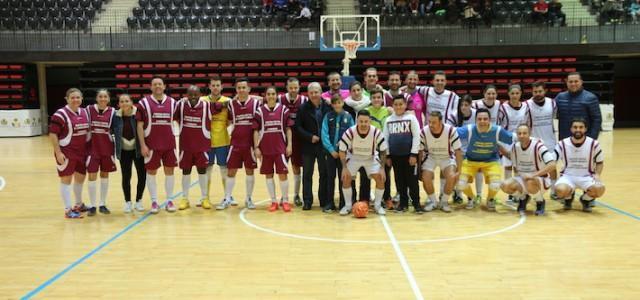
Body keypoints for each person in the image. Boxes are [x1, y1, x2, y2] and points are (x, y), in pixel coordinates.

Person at [456, 108, 514, 211]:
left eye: (485, 119)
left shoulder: (497, 130)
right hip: (470, 161)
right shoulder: (469, 129)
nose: (482, 121)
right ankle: (471, 198)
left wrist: (533, 141)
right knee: (460, 184)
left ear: (489, 120)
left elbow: (513, 138)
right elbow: (450, 132)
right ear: (476, 120)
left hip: (491, 161)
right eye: (480, 119)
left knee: (495, 184)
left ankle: (490, 199)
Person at [218, 78, 261, 210]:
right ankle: (227, 198)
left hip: (249, 144)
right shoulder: (231, 104)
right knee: (231, 171)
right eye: (239, 88)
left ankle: (248, 198)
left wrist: (257, 145)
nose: (241, 90)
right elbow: (227, 118)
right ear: (236, 90)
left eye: (244, 87)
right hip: (235, 142)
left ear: (249, 89)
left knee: (249, 171)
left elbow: (272, 98)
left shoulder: (256, 103)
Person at [136, 78, 178, 214]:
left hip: (169, 144)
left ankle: (169, 200)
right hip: (151, 144)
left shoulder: (173, 103)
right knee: (151, 172)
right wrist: (142, 145)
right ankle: (154, 201)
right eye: (155, 84)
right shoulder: (143, 103)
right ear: (150, 87)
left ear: (164, 86)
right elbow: (140, 125)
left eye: (160, 84)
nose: (157, 86)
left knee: (169, 171)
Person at [49, 88, 90, 218]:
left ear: (82, 99)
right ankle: (68, 210)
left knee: (80, 178)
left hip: (81, 152)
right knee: (66, 179)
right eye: (72, 97)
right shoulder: (60, 114)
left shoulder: (85, 112)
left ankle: (78, 204)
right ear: (67, 99)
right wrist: (58, 152)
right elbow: (53, 134)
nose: (75, 100)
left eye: (78, 97)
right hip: (66, 152)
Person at [338, 110, 388, 216]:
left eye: (366, 121)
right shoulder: (350, 132)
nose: (363, 124)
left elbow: (383, 150)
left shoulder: (376, 132)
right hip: (354, 157)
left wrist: (382, 168)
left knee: (380, 178)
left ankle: (377, 205)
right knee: (346, 178)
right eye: (361, 121)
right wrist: (344, 168)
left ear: (369, 121)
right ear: (357, 121)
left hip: (371, 157)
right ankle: (347, 206)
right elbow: (342, 150)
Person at [500, 124, 556, 216]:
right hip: (524, 179)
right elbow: (510, 156)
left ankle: (540, 201)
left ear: (529, 134)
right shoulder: (515, 147)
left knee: (530, 182)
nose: (521, 136)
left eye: (524, 133)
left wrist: (533, 175)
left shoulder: (539, 146)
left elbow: (552, 165)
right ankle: (523, 198)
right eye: (519, 133)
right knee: (504, 185)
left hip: (540, 179)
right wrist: (499, 148)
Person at [254, 87, 294, 212]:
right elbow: (255, 130)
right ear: (265, 96)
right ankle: (273, 201)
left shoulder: (283, 110)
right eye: (268, 94)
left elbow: (288, 129)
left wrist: (289, 145)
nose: (271, 96)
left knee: (283, 174)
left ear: (277, 95)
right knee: (268, 175)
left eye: (273, 94)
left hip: (280, 148)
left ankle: (285, 200)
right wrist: (256, 147)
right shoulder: (259, 111)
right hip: (265, 149)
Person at [554, 118, 605, 212]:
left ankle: (585, 199)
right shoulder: (562, 144)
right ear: (571, 129)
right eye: (575, 127)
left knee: (600, 189)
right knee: (559, 190)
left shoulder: (594, 144)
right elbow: (552, 162)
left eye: (581, 127)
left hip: (587, 176)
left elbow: (600, 162)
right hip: (568, 176)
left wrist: (597, 175)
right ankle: (568, 198)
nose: (578, 130)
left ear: (585, 129)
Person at [175, 86, 213, 210]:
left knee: (202, 172)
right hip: (185, 147)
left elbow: (226, 105)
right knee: (186, 172)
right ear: (186, 95)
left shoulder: (207, 106)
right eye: (190, 94)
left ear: (200, 95)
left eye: (195, 94)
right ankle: (185, 199)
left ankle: (204, 198)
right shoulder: (180, 106)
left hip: (201, 147)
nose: (192, 97)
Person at [383, 95, 422, 213]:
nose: (398, 107)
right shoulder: (389, 120)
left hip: (409, 156)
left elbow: (416, 136)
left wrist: (414, 154)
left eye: (401, 104)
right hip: (395, 156)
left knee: (412, 181)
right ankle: (403, 204)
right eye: (396, 104)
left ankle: (416, 204)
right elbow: (385, 138)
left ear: (405, 105)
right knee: (399, 181)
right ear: (392, 106)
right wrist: (388, 155)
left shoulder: (411, 118)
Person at [296, 82, 331, 210]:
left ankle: (323, 200)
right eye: (311, 92)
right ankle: (307, 201)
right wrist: (310, 137)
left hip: (324, 146)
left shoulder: (328, 107)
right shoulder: (303, 108)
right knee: (307, 174)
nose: (314, 95)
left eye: (316, 92)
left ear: (321, 92)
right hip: (308, 146)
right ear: (308, 94)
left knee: (324, 173)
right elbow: (298, 127)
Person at [420, 111, 462, 213]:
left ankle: (444, 202)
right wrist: (418, 168)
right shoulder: (424, 131)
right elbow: (420, 151)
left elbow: (458, 151)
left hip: (446, 156)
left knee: (452, 176)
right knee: (426, 177)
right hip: (431, 156)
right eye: (429, 122)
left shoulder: (451, 130)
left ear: (441, 122)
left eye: (433, 122)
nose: (430, 125)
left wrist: (459, 171)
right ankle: (433, 201)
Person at [277, 77, 308, 206]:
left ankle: (296, 194)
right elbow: (262, 100)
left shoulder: (304, 100)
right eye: (291, 88)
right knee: (282, 169)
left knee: (296, 168)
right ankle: (284, 197)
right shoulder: (279, 99)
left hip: (298, 139)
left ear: (299, 87)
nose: (293, 90)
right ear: (287, 88)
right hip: (281, 138)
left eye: (296, 87)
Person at [497, 84, 531, 204]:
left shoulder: (525, 107)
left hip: (520, 140)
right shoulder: (503, 107)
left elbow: (527, 123)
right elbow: (499, 125)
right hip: (507, 140)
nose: (515, 96)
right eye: (512, 93)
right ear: (508, 94)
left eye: (517, 93)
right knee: (507, 166)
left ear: (520, 93)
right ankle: (509, 194)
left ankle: (517, 190)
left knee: (518, 166)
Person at [112, 94, 146, 213]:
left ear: (132, 102)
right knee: (126, 177)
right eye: (122, 101)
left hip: (137, 149)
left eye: (127, 101)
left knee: (142, 175)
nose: (124, 103)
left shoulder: (138, 114)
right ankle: (127, 202)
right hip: (124, 151)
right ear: (118, 104)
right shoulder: (115, 116)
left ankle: (139, 200)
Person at [321, 94, 355, 211]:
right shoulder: (328, 116)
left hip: (343, 154)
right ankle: (329, 202)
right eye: (334, 103)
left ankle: (343, 203)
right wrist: (331, 150)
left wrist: (343, 148)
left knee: (343, 177)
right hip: (331, 154)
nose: (337, 105)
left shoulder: (348, 116)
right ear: (332, 104)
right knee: (330, 178)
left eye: (339, 102)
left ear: (343, 103)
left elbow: (352, 133)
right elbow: (324, 134)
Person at [86, 89, 116, 216]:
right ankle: (92, 205)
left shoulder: (113, 112)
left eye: (105, 96)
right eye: (100, 96)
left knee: (105, 175)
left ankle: (102, 204)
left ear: (108, 99)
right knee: (92, 175)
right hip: (92, 148)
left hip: (107, 147)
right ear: (96, 98)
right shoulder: (88, 110)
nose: (103, 98)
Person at [204, 76, 232, 209]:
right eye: (213, 85)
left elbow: (231, 120)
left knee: (224, 170)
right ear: (209, 86)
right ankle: (205, 197)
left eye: (218, 85)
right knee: (207, 170)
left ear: (221, 87)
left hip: (223, 140)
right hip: (206, 141)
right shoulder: (202, 101)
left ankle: (228, 196)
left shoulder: (228, 101)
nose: (215, 87)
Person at [526, 81, 558, 193]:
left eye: (540, 91)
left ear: (545, 91)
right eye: (535, 91)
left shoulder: (552, 103)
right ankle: (532, 191)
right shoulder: (527, 105)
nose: (538, 93)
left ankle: (554, 191)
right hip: (534, 142)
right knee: (534, 168)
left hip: (550, 141)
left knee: (552, 167)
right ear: (532, 92)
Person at [447, 95, 476, 204]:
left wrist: (461, 131)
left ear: (470, 105)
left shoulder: (476, 114)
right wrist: (468, 130)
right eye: (462, 105)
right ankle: (458, 194)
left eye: (466, 105)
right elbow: (449, 132)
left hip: (471, 150)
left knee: (468, 178)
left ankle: (474, 195)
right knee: (455, 174)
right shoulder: (454, 116)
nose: (463, 107)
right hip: (456, 150)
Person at [555, 72, 602, 140]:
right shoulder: (560, 97)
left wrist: (592, 139)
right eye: (570, 82)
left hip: (584, 140)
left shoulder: (591, 98)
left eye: (576, 81)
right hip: (565, 140)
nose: (573, 84)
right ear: (567, 82)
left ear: (581, 82)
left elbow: (597, 120)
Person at [366, 88, 392, 207]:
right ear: (370, 99)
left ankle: (386, 198)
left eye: (378, 97)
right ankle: (365, 197)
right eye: (374, 97)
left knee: (385, 174)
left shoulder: (388, 111)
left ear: (382, 99)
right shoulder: (366, 111)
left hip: (385, 147)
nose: (376, 99)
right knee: (365, 175)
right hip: (369, 148)